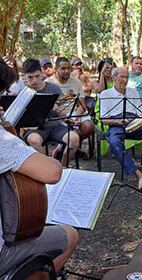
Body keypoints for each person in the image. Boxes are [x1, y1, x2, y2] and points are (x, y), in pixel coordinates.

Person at [0, 59, 78, 277]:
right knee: (70, 235)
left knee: (72, 139)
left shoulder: (52, 89)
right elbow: (52, 172)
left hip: (53, 127)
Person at [99, 67, 142, 190]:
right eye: (121, 77)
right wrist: (118, 121)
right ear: (114, 78)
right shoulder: (105, 94)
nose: (125, 80)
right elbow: (103, 119)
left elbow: (139, 112)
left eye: (126, 77)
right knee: (114, 142)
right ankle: (138, 175)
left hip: (133, 122)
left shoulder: (133, 92)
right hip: (116, 124)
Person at [22, 59, 80, 167]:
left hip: (55, 125)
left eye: (37, 76)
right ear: (25, 76)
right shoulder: (24, 92)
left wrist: (57, 110)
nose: (34, 80)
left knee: (74, 139)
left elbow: (64, 114)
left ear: (41, 73)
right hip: (35, 128)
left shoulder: (53, 88)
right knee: (34, 140)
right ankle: (48, 168)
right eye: (30, 77)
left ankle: (63, 167)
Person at [46, 57, 95, 143]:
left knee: (89, 126)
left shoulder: (76, 82)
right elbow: (51, 108)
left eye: (69, 68)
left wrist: (77, 117)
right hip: (57, 116)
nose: (67, 71)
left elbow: (82, 104)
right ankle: (71, 147)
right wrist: (65, 118)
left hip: (75, 113)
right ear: (56, 69)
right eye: (63, 69)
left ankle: (67, 147)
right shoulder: (48, 83)